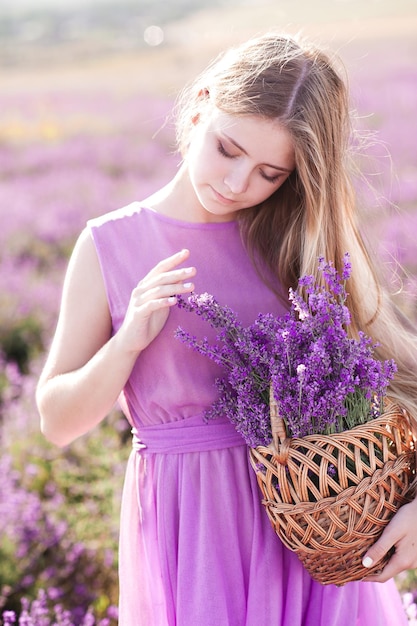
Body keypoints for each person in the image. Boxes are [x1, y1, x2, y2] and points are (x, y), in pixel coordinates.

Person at [36, 32, 417, 625]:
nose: (239, 184)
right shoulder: (110, 244)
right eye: (227, 149)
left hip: (311, 543)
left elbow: (403, 375)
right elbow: (58, 422)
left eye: (270, 172)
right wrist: (128, 340)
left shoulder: (299, 241)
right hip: (191, 543)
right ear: (200, 106)